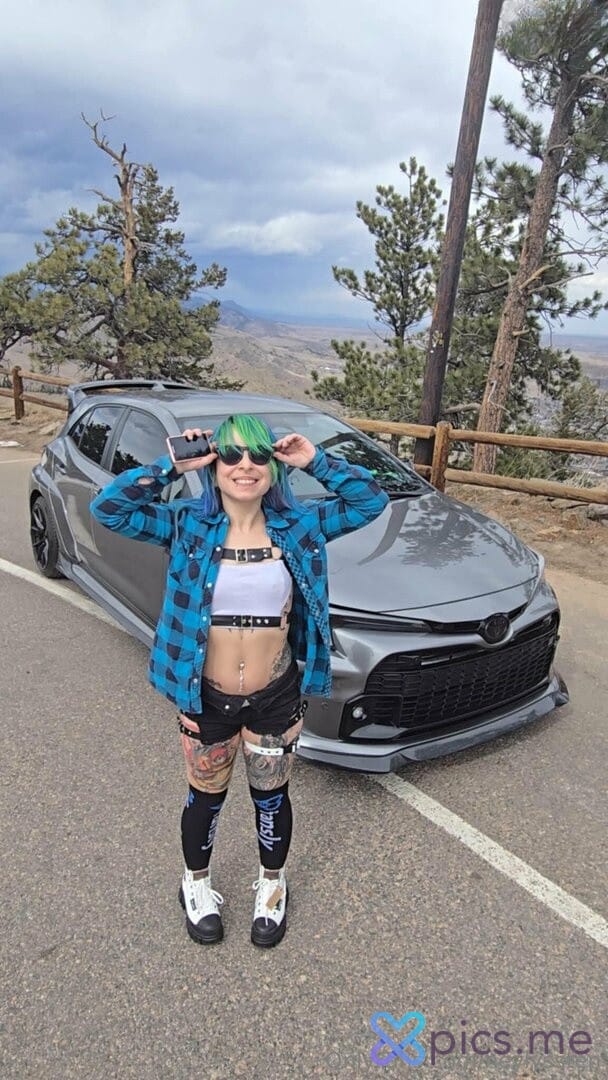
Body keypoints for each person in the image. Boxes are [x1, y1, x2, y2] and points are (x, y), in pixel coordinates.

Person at [91, 413, 388, 948]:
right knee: (205, 796)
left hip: (275, 695)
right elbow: (109, 508)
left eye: (258, 454)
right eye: (230, 454)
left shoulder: (300, 525)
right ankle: (195, 884)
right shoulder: (187, 524)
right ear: (214, 464)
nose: (244, 465)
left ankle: (272, 886)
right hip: (205, 696)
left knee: (271, 798)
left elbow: (370, 501)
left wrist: (316, 460)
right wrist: (171, 465)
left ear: (274, 466)